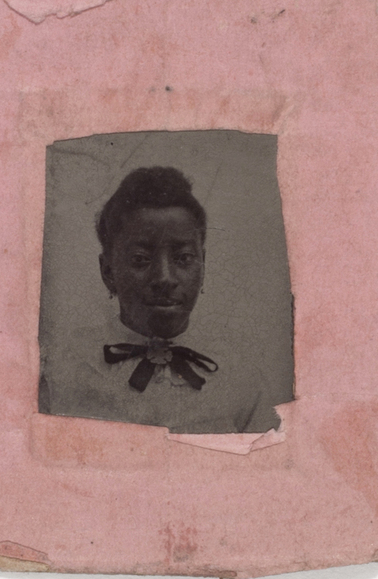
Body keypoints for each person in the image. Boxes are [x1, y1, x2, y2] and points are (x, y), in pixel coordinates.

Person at [39, 166, 281, 434]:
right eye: (141, 259)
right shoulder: (64, 374)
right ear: (108, 271)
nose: (164, 278)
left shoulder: (240, 378)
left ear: (202, 265)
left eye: (183, 258)